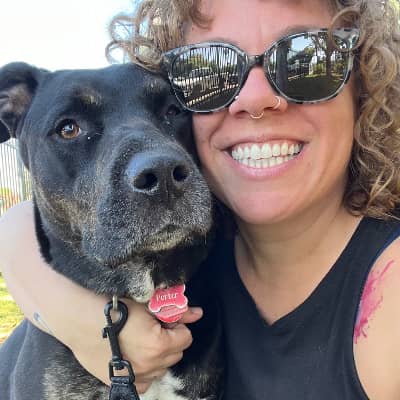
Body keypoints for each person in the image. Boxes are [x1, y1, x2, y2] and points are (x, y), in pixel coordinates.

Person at [1, 0, 400, 398]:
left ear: (364, 84)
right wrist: (84, 323)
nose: (255, 97)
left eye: (305, 59)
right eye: (213, 70)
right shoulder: (218, 250)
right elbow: (16, 228)